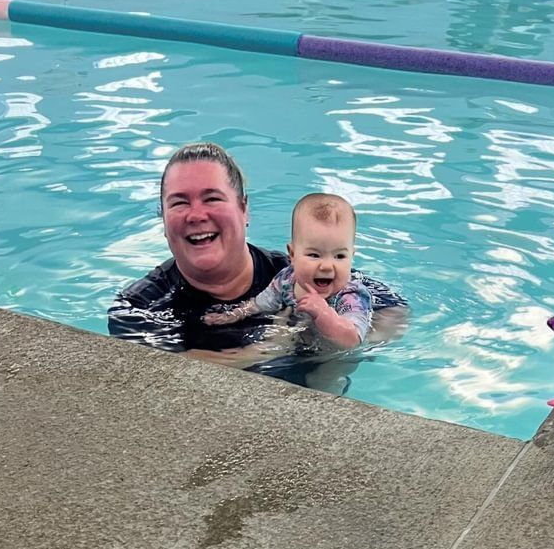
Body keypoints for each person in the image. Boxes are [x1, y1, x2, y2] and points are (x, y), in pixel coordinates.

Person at [107, 142, 407, 376]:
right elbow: (167, 373)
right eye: (179, 203)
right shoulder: (139, 308)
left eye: (212, 198)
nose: (197, 215)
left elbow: (393, 311)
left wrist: (325, 342)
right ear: (163, 220)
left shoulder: (296, 274)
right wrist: (267, 350)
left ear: (244, 209)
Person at [203, 193, 371, 350]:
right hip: (300, 336)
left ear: (352, 257)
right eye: (314, 255)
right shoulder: (287, 280)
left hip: (333, 352)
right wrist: (233, 315)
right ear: (292, 255)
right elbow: (260, 303)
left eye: (339, 256)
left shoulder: (350, 295)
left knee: (325, 377)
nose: (327, 266)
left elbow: (352, 341)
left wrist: (325, 314)